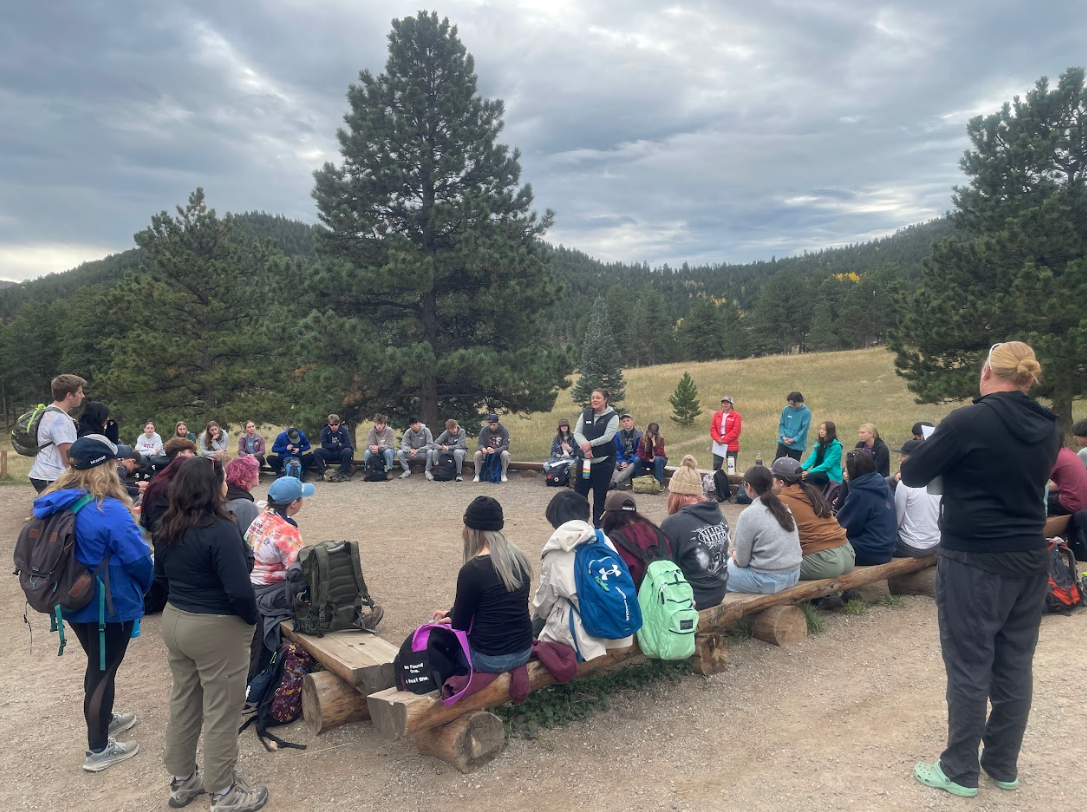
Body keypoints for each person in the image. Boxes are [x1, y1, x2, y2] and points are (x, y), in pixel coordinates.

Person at [901, 341, 1059, 798]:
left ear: (988, 371)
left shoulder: (968, 420)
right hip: (1030, 554)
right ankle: (1002, 763)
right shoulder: (1050, 426)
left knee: (970, 664)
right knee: (1014, 664)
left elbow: (913, 475)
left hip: (974, 557)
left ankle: (958, 770)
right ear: (1027, 378)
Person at [33, 435, 153, 772]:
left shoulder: (54, 499)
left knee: (98, 664)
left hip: (70, 597)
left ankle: (105, 718)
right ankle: (98, 749)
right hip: (107, 604)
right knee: (102, 670)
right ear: (107, 467)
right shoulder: (107, 508)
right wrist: (146, 587)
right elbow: (138, 559)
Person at [155, 456, 265, 812]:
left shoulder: (167, 524)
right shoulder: (220, 529)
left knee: (184, 701)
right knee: (222, 709)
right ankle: (224, 792)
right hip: (214, 626)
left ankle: (183, 781)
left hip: (176, 619)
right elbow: (240, 590)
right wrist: (251, 621)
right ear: (212, 486)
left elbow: (160, 578)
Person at [430, 497, 533, 673]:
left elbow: (460, 626)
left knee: (437, 643)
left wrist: (451, 618)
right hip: (524, 650)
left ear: (471, 531)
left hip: (490, 659)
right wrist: (450, 614)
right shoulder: (519, 559)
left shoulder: (473, 570)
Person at [534, 490, 633, 660]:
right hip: (619, 622)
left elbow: (544, 602)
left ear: (554, 519)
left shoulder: (557, 550)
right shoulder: (602, 539)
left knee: (540, 613)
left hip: (584, 634)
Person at [246, 476, 314, 680]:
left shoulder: (262, 518)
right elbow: (299, 571)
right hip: (269, 592)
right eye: (302, 497)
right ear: (294, 503)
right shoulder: (286, 531)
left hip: (251, 583)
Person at [661, 455, 730, 608]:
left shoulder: (673, 524)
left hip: (691, 598)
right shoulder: (719, 515)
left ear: (675, 495)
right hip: (718, 592)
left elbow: (664, 567)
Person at [771, 457, 855, 580]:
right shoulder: (811, 492)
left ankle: (823, 596)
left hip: (824, 561)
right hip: (847, 554)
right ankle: (828, 596)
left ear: (781, 482)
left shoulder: (781, 500)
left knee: (769, 569)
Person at [727, 466, 802, 594]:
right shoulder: (783, 507)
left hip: (770, 584)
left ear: (748, 486)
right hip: (794, 576)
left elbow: (742, 561)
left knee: (717, 571)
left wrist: (735, 554)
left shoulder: (749, 514)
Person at [600, 490, 673, 588]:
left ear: (609, 516)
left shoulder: (615, 541)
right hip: (665, 592)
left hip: (638, 597)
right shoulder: (655, 531)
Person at [836, 450, 896, 566]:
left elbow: (845, 527)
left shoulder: (860, 493)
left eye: (847, 468)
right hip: (887, 548)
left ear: (854, 470)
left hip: (870, 551)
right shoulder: (880, 483)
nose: (844, 471)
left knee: (825, 549)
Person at [28, 373, 85, 493]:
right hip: (53, 476)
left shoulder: (47, 412)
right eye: (79, 392)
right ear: (69, 395)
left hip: (42, 472)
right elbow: (68, 458)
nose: (83, 396)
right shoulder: (61, 420)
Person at [573, 390, 620, 526]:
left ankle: (598, 526)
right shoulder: (586, 414)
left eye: (598, 398)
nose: (594, 400)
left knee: (600, 494)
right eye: (593, 397)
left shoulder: (612, 416)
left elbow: (608, 436)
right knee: (581, 491)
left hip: (604, 463)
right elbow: (577, 433)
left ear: (605, 399)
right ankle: (579, 523)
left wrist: (590, 444)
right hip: (586, 463)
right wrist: (585, 447)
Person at [889, 439, 942, 558]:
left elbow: (897, 521)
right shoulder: (938, 480)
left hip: (909, 546)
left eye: (903, 456)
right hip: (935, 543)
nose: (899, 459)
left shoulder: (906, 484)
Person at [224, 455, 262, 535]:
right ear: (247, 475)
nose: (258, 473)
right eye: (256, 471)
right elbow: (251, 540)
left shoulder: (224, 496)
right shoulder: (245, 506)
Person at [800, 421, 843, 488]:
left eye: (824, 430)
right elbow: (810, 460)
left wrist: (810, 472)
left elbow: (827, 465)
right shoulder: (818, 444)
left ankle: (811, 496)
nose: (821, 431)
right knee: (799, 475)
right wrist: (799, 469)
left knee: (809, 476)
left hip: (829, 473)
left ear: (830, 431)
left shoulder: (836, 447)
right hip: (817, 471)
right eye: (820, 429)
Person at [1046, 446, 1087, 516]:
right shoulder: (1068, 453)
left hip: (1072, 504)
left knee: (1033, 501)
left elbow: (1036, 483)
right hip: (1082, 501)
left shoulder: (1052, 457)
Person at [473, 413, 511, 483]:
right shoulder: (484, 430)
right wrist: (482, 448)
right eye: (490, 424)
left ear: (497, 423)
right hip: (487, 452)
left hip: (499, 452)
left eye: (494, 425)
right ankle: (477, 474)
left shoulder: (504, 431)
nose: (492, 426)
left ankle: (503, 473)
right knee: (477, 454)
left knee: (505, 454)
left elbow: (505, 445)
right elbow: (480, 443)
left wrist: (495, 450)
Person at [315, 414, 354, 482]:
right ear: (328, 424)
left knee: (348, 451)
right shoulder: (325, 431)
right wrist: (336, 444)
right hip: (329, 452)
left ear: (339, 423)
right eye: (332, 425)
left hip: (340, 452)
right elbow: (324, 445)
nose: (334, 426)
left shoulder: (344, 430)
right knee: (317, 451)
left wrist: (335, 446)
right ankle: (322, 473)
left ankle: (343, 473)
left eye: (336, 424)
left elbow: (347, 444)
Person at [710, 396, 742, 473]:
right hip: (718, 443)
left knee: (731, 466)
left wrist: (724, 440)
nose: (725, 404)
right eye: (723, 403)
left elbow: (736, 430)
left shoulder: (736, 415)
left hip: (731, 444)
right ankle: (716, 482)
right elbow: (713, 428)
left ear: (731, 404)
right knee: (716, 465)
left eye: (727, 402)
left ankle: (732, 483)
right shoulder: (717, 415)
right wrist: (717, 439)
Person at [611, 413, 642, 490]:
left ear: (632, 421)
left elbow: (639, 451)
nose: (626, 423)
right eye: (624, 421)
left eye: (628, 420)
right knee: (609, 464)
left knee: (633, 465)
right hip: (621, 459)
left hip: (633, 460)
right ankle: (624, 482)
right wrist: (622, 462)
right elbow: (616, 450)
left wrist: (628, 462)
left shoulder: (639, 435)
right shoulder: (617, 435)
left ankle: (615, 483)